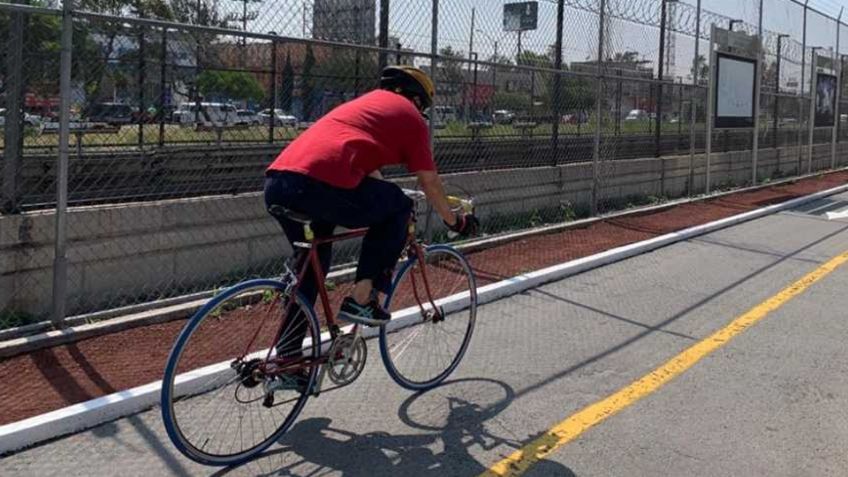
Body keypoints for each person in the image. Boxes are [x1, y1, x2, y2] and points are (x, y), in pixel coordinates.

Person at [264, 65, 478, 346]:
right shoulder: (411, 116)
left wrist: (388, 192)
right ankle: (362, 298)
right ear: (417, 100)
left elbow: (368, 173)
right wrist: (456, 222)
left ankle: (288, 356)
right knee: (400, 207)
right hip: (319, 185)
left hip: (278, 184)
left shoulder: (363, 107)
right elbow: (429, 181)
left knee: (313, 266)